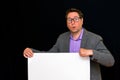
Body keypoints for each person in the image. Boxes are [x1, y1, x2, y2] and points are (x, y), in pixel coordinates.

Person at [23, 8, 115, 80]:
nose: (73, 22)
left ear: (82, 20)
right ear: (66, 22)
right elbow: (50, 56)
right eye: (69, 19)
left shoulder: (94, 39)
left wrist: (91, 52)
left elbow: (110, 61)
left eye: (76, 19)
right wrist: (32, 52)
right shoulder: (62, 38)